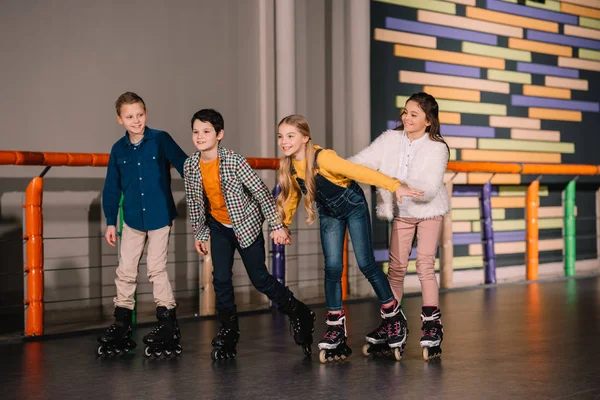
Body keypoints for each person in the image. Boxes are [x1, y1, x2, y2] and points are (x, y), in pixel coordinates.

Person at [273, 114, 424, 363]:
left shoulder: (324, 158)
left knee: (365, 263)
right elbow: (292, 197)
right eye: (281, 136)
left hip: (353, 206)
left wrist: (394, 186)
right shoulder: (290, 167)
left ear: (305, 138)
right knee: (333, 268)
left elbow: (360, 172)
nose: (284, 141)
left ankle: (394, 317)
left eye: (290, 136)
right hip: (329, 213)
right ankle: (335, 327)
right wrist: (284, 225)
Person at [183, 109, 316, 360]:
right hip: (219, 227)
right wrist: (199, 233)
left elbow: (262, 194)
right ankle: (228, 332)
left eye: (206, 131)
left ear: (219, 134)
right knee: (220, 279)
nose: (200, 137)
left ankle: (299, 312)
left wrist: (277, 226)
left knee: (261, 279)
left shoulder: (234, 161)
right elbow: (194, 202)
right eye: (196, 132)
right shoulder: (190, 165)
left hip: (246, 225)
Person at [349, 92, 450, 361]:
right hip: (402, 213)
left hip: (429, 211)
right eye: (405, 112)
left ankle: (431, 324)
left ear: (428, 121)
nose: (406, 117)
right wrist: (337, 168)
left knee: (425, 265)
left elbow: (429, 187)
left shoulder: (437, 147)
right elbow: (364, 160)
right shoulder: (390, 139)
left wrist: (400, 186)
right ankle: (391, 320)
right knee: (395, 269)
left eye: (413, 114)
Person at [98, 91, 188, 358]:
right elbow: (111, 188)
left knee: (156, 269)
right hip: (133, 220)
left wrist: (201, 200)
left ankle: (168, 325)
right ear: (120, 119)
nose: (135, 121)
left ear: (146, 113)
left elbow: (186, 167)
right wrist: (110, 222)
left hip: (160, 217)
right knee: (125, 270)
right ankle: (122, 325)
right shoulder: (118, 149)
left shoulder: (160, 139)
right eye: (129, 117)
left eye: (139, 115)